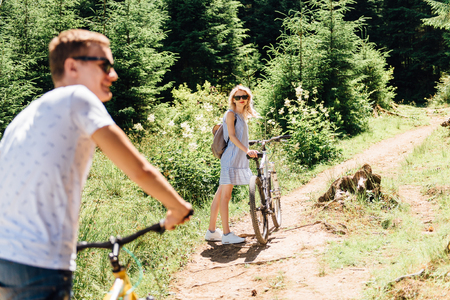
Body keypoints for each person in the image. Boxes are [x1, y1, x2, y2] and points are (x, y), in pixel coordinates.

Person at [0, 29, 192, 300]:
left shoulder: (25, 116)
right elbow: (139, 169)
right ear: (72, 66)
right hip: (39, 262)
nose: (113, 75)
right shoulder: (76, 97)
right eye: (105, 65)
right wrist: (177, 207)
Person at [205, 85, 259, 244]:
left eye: (244, 97)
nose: (241, 99)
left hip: (236, 159)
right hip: (230, 159)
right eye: (238, 97)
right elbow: (233, 137)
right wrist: (247, 150)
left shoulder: (241, 115)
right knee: (225, 196)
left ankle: (211, 231)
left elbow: (240, 136)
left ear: (248, 99)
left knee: (220, 194)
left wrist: (247, 147)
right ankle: (227, 234)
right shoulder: (230, 114)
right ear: (233, 99)